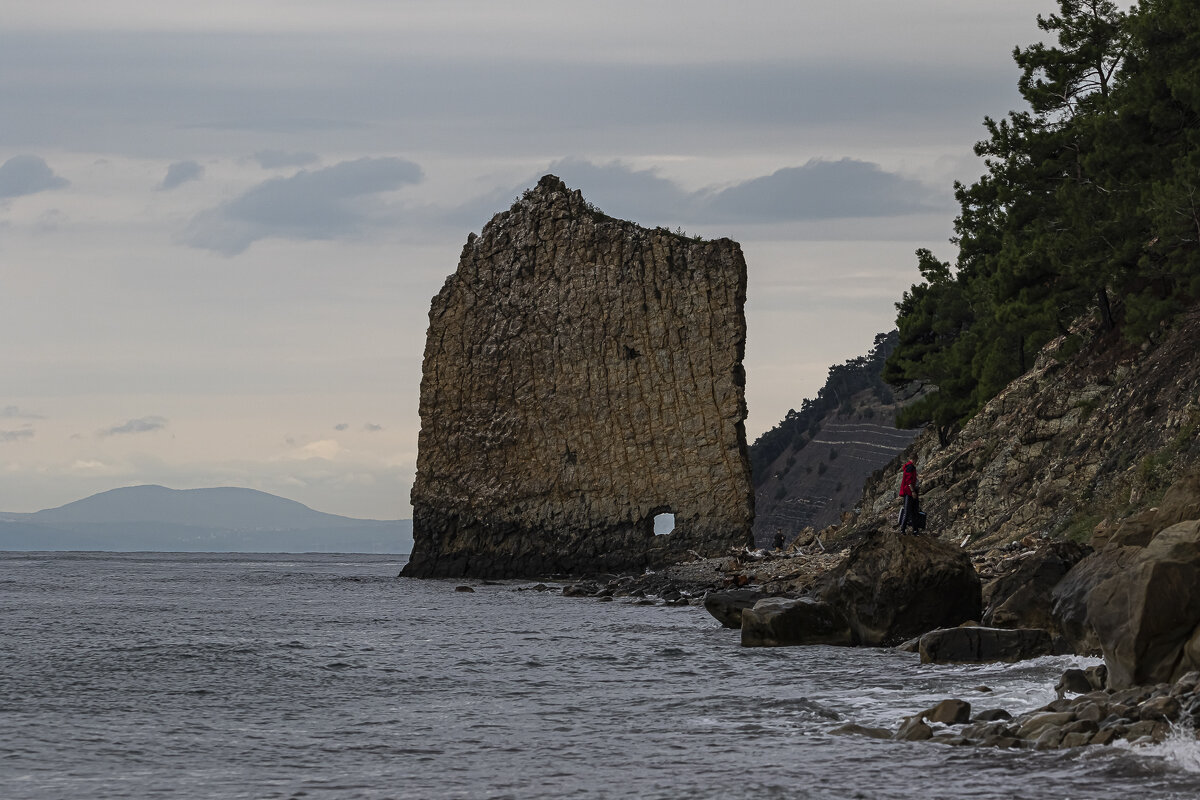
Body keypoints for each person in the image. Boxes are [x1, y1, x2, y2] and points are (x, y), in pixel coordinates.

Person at [896, 460, 920, 534]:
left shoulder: (910, 467)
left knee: (913, 511)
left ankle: (914, 529)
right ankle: (903, 529)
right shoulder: (910, 467)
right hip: (909, 493)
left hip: (911, 492)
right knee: (908, 511)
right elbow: (909, 481)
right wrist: (912, 491)